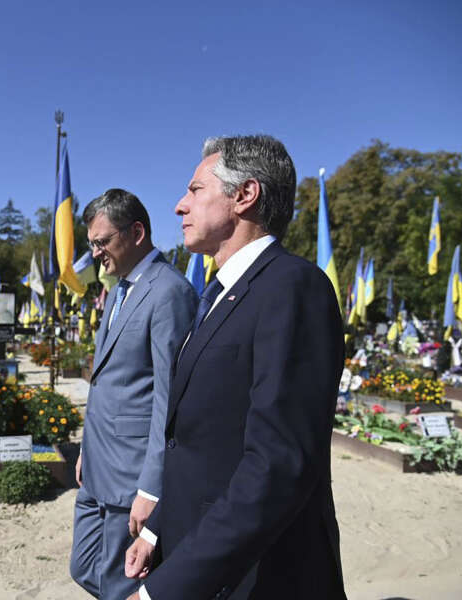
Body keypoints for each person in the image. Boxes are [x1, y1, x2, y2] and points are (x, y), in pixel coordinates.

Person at [124, 135, 347, 599]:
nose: (180, 206)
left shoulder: (292, 287)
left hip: (261, 575)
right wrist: (155, 531)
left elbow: (276, 465)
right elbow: (201, 442)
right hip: (203, 554)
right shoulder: (219, 295)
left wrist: (166, 590)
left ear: (244, 195)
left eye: (196, 189)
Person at [70, 188, 198, 599]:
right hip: (97, 467)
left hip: (131, 478)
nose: (95, 254)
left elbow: (169, 398)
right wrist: (87, 450)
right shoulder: (121, 287)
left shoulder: (168, 292)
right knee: (84, 568)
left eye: (102, 242)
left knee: (119, 586)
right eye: (91, 244)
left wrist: (151, 488)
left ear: (137, 232)